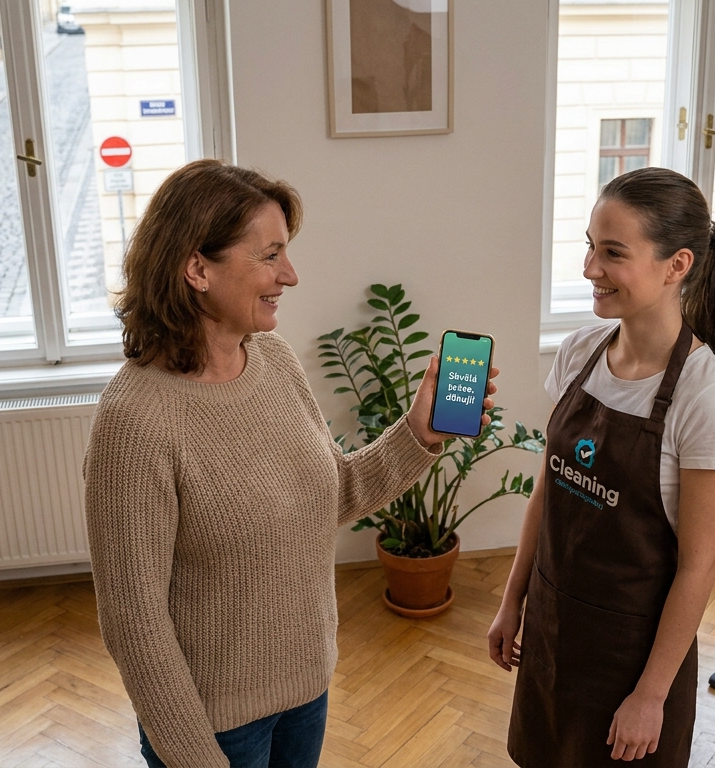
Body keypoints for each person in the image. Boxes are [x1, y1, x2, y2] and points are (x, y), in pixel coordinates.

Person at [83, 159, 498, 768]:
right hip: (214, 728)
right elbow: (133, 623)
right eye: (270, 255)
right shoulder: (136, 420)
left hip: (307, 692)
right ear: (197, 269)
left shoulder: (274, 361)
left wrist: (418, 433)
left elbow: (333, 494)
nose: (291, 275)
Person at [487, 167, 715, 766]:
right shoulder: (580, 352)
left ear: (677, 265)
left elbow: (698, 568)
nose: (589, 269)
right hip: (553, 630)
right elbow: (547, 492)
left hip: (632, 658)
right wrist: (512, 601)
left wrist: (651, 696)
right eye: (589, 247)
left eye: (613, 253)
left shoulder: (706, 398)